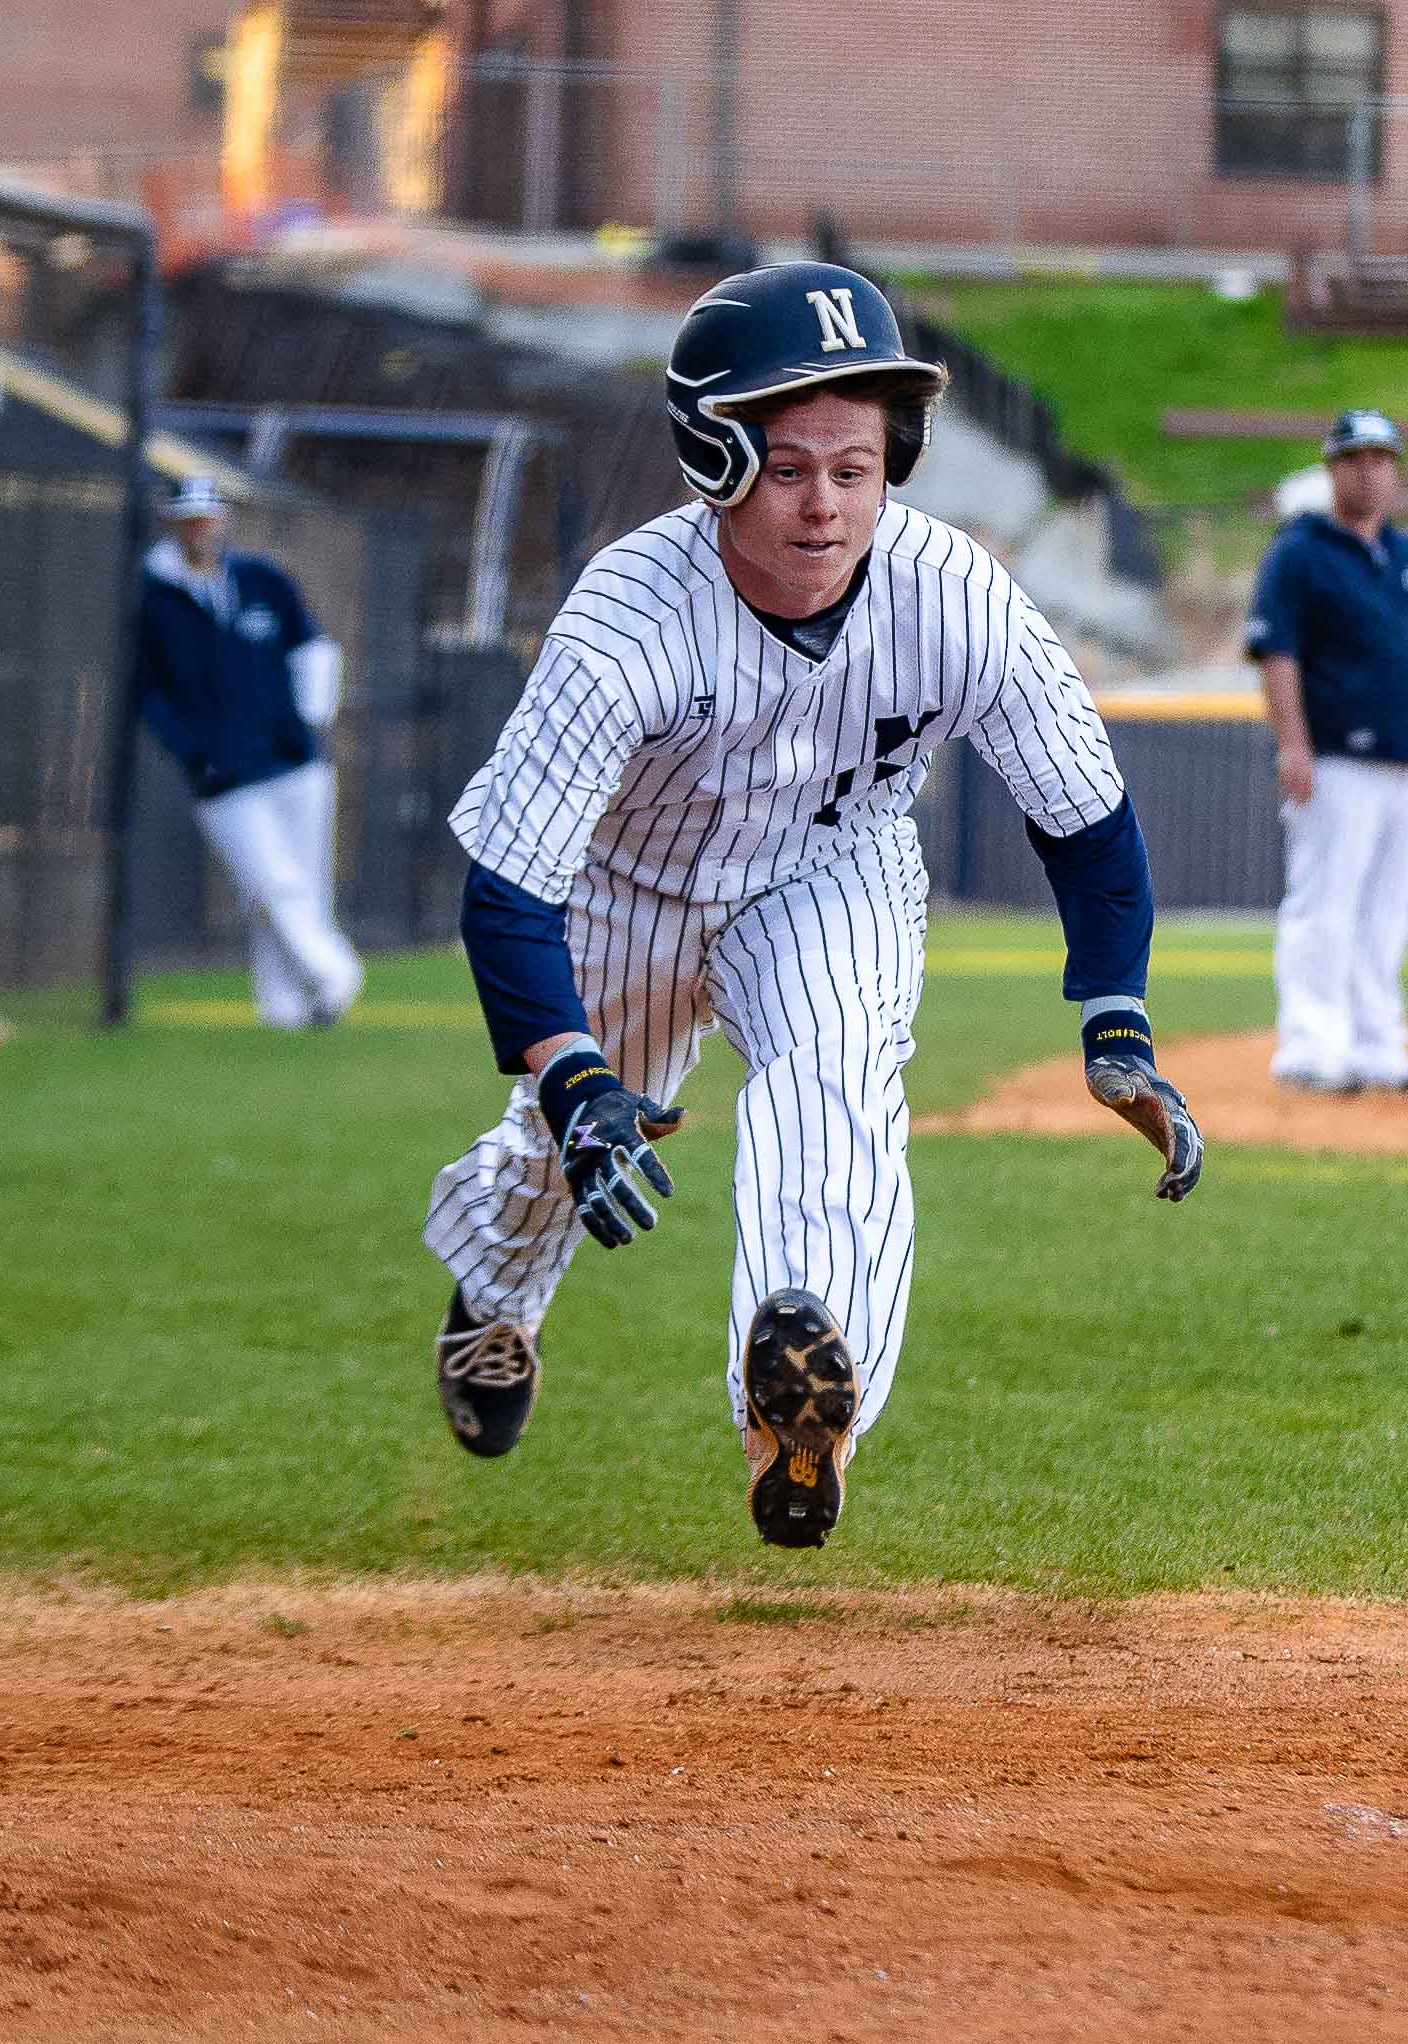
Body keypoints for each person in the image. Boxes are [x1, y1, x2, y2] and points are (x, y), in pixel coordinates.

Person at [422, 263, 1203, 1551]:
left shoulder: (953, 592)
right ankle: (495, 1297)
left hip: (830, 867)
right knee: (558, 1160)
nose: (829, 502)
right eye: (789, 468)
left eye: (857, 465)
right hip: (629, 887)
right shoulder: (626, 622)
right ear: (713, 460)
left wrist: (1115, 1017)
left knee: (835, 1082)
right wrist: (572, 1080)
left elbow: (1086, 817)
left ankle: (799, 1396)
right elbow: (507, 894)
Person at [1245, 406, 1408, 1095]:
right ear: (1332, 468)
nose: (1371, 470)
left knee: (1386, 912)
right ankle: (1312, 1045)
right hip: (1337, 761)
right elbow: (1276, 651)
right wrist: (1292, 743)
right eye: (1356, 458)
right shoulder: (1300, 552)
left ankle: (1379, 1046)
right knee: (1325, 902)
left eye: (1383, 458)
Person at [130, 476, 362, 1028]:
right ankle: (336, 974)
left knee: (305, 884)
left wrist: (309, 724)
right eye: (189, 518)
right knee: (268, 884)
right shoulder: (155, 597)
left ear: (222, 521)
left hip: (293, 763)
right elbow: (150, 691)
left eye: (208, 517)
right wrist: (195, 752)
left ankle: (288, 1008)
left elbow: (312, 647)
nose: (200, 528)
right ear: (173, 523)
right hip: (224, 777)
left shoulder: (261, 580)